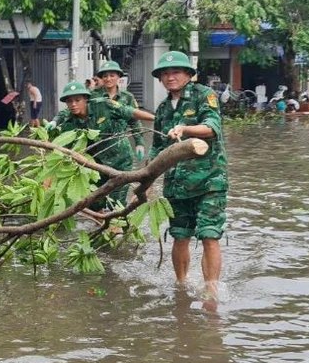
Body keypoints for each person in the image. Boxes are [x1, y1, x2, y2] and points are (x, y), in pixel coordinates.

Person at [149, 51, 228, 306]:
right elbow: (157, 149)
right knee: (179, 235)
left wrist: (185, 128)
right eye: (165, 74)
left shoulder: (204, 94)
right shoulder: (162, 109)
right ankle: (181, 285)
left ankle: (211, 292)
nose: (170, 77)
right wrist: (146, 182)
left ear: (188, 75)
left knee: (209, 234)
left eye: (175, 72)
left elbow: (212, 128)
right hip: (176, 185)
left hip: (208, 181)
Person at [47, 81, 154, 209]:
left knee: (116, 204)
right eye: (69, 101)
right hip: (95, 166)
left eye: (77, 100)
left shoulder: (103, 105)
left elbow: (131, 112)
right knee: (94, 202)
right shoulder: (69, 122)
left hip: (119, 161)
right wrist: (50, 175)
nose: (73, 104)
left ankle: (119, 225)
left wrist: (155, 119)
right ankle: (103, 224)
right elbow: (64, 150)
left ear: (86, 99)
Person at [91, 60, 147, 163]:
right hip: (98, 151)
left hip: (121, 151)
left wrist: (139, 143)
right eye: (105, 76)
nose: (108, 79)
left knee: (124, 177)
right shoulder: (93, 96)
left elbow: (134, 121)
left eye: (112, 75)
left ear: (119, 77)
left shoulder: (127, 97)